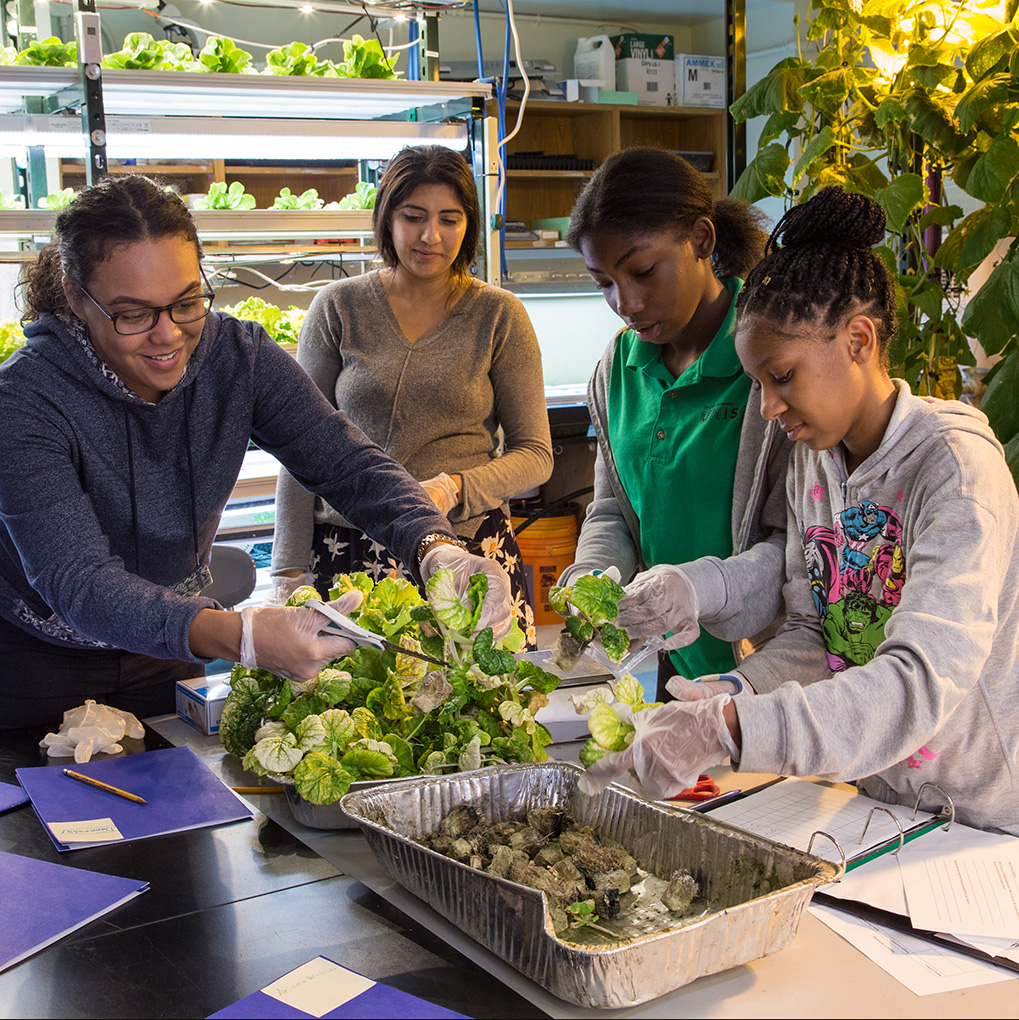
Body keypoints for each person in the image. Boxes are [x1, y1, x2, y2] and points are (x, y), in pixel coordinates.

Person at [0, 174, 513, 729]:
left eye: (186, 303)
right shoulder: (24, 400)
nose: (168, 335)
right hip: (37, 666)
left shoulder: (237, 358)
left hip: (171, 651)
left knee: (173, 802)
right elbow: (78, 579)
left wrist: (436, 547)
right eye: (133, 315)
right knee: (51, 812)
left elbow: (347, 465)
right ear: (78, 298)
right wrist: (239, 635)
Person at [587, 186, 1019, 836]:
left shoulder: (954, 466)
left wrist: (733, 729)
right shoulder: (816, 461)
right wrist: (733, 691)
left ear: (858, 341)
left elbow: (917, 681)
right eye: (756, 383)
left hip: (976, 816)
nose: (766, 409)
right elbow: (817, 632)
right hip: (874, 798)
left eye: (782, 377)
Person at [270, 145, 552, 646]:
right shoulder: (338, 306)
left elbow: (536, 455)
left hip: (467, 550)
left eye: (450, 218)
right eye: (413, 216)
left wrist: (456, 486)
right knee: (359, 713)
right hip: (351, 551)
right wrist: (288, 573)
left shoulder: (500, 315)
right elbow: (298, 445)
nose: (431, 236)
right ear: (386, 218)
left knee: (480, 714)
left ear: (469, 223)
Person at [558, 147, 788, 693]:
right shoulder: (618, 368)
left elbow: (802, 542)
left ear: (702, 241)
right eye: (603, 283)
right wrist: (595, 577)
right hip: (672, 670)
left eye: (642, 271)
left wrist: (700, 587)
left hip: (771, 671)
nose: (626, 302)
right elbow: (614, 507)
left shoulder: (772, 364)